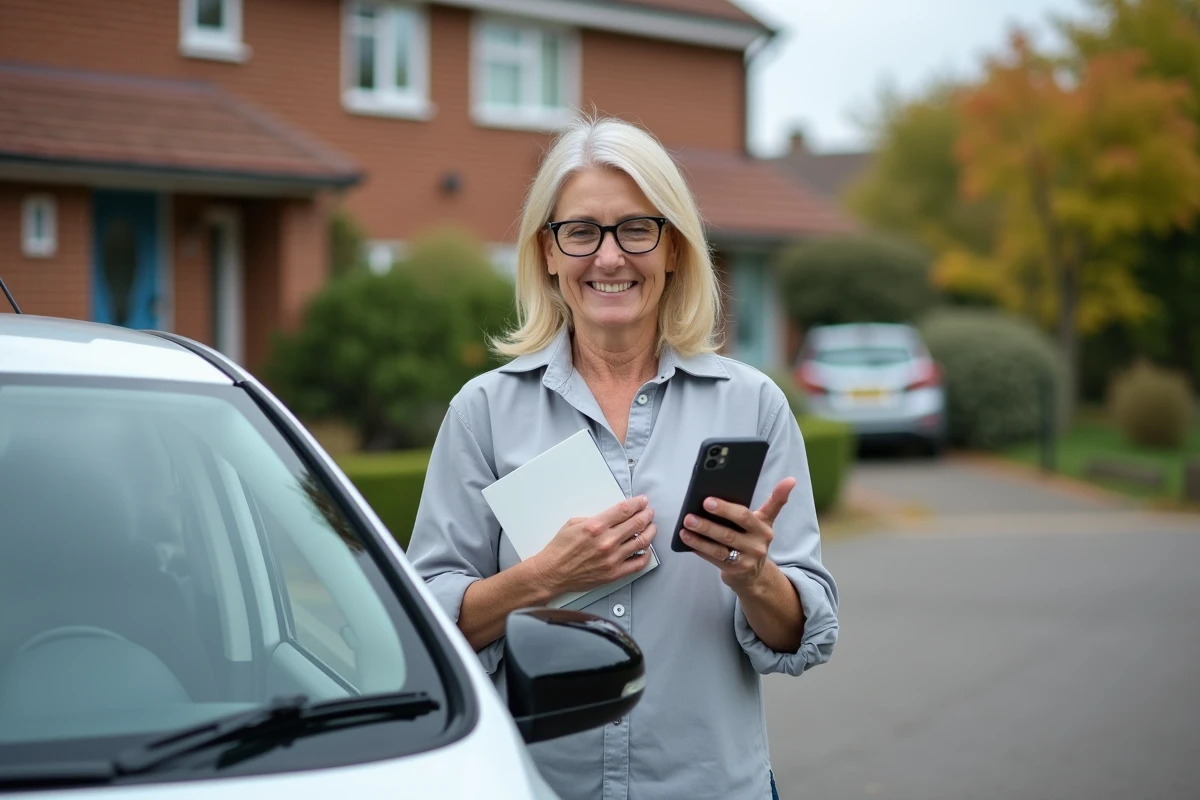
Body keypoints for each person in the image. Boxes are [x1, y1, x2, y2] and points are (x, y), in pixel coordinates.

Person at [406, 115, 839, 800]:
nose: (609, 258)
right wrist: (543, 576)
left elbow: (801, 633)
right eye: (580, 231)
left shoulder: (752, 406)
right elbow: (424, 624)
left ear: (673, 249)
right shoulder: (483, 413)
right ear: (547, 252)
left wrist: (756, 576)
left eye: (636, 228)